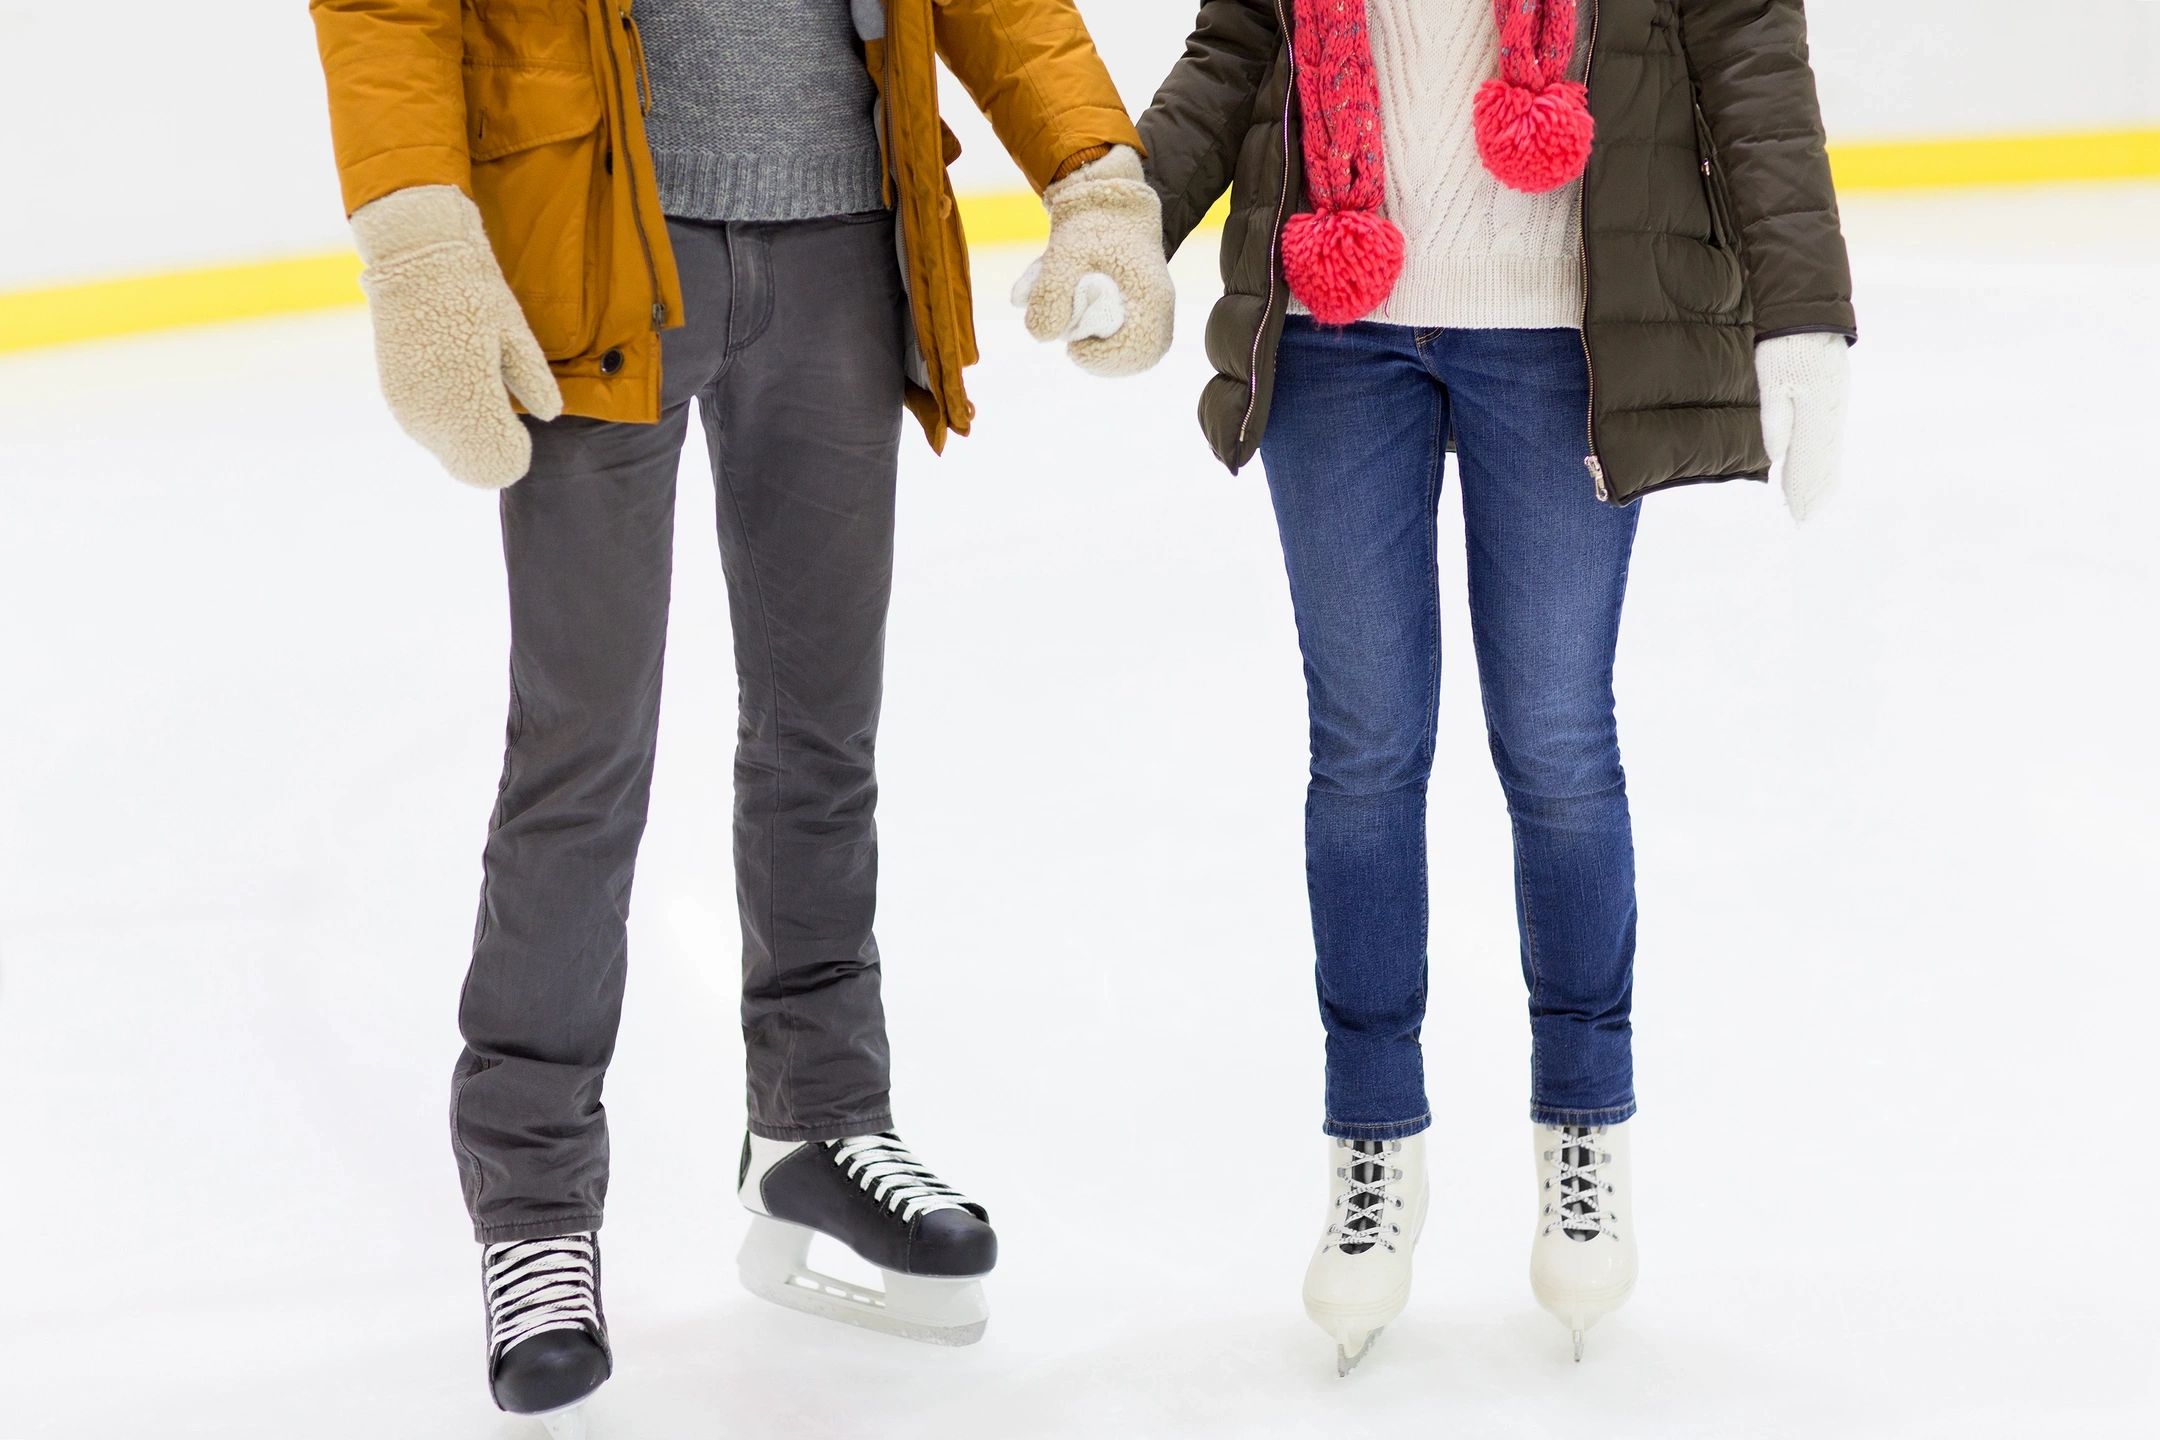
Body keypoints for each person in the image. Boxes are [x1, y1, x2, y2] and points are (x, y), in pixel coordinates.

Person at [306, 0, 1172, 1431]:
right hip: (594, 236)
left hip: (843, 238)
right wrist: (415, 238)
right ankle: (532, 1205)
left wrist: (1093, 175)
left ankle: (821, 1127)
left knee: (822, 734)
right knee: (581, 752)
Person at [1134, 0, 1853, 1371]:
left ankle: (1583, 1122)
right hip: (1337, 327)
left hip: (1561, 338)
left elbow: (1750, 51)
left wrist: (1803, 314)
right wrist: (1130, 211)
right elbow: (1234, 48)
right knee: (1362, 751)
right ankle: (1371, 1144)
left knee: (1560, 743)